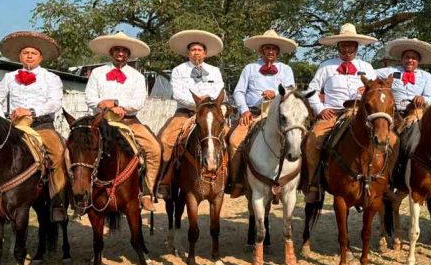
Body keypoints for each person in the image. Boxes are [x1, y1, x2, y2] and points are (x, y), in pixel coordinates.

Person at [0, 31, 68, 222]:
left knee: (58, 153)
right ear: (20, 56)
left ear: (41, 57)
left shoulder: (51, 78)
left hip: (42, 125)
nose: (29, 56)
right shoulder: (9, 77)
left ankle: (57, 201)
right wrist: (1, 122)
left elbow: (55, 103)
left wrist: (31, 111)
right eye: (26, 52)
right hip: (13, 126)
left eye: (34, 53)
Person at [85, 32, 161, 211]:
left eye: (124, 51)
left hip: (129, 120)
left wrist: (118, 104)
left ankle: (148, 192)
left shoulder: (137, 76)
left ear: (129, 54)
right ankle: (80, 194)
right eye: (117, 50)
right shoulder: (97, 73)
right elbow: (89, 97)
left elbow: (139, 101)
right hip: (102, 120)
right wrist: (102, 105)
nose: (120, 53)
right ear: (111, 52)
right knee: (76, 149)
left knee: (154, 149)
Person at [304, 23, 378, 202]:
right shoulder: (326, 66)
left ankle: (384, 181)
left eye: (350, 45)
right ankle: (314, 182)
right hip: (334, 113)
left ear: (356, 46)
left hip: (361, 114)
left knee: (388, 140)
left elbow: (378, 90)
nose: (347, 49)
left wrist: (367, 90)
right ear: (338, 46)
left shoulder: (367, 66)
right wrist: (321, 109)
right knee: (313, 139)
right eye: (343, 45)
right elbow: (311, 90)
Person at [227, 29, 296, 197]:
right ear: (261, 50)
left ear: (278, 51)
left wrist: (276, 94)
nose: (270, 51)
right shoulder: (250, 68)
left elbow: (291, 91)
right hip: (254, 113)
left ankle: (299, 180)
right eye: (267, 48)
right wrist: (244, 111)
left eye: (274, 48)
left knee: (299, 140)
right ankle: (236, 181)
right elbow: (238, 92)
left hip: (279, 115)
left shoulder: (286, 70)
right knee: (234, 140)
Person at [156, 30, 225, 199]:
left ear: (205, 53)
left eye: (199, 50)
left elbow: (220, 90)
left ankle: (231, 179)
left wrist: (208, 103)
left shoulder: (215, 71)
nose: (196, 52)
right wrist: (197, 103)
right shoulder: (178, 70)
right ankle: (164, 181)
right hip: (186, 112)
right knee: (166, 139)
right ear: (188, 53)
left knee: (230, 138)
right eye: (193, 49)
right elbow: (177, 94)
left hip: (210, 113)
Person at [375, 37, 431, 114]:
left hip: (415, 113)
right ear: (402, 59)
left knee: (417, 125)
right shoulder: (391, 71)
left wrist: (423, 98)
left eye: (413, 58)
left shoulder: (426, 76)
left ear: (418, 61)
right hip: (393, 112)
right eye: (407, 57)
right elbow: (370, 73)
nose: (410, 60)